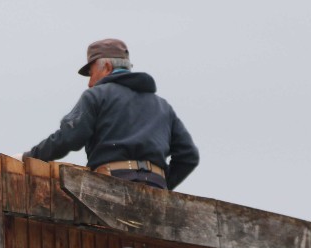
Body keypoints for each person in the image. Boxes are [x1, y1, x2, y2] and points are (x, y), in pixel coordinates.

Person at [25, 38, 199, 191]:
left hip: (111, 186)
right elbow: (188, 155)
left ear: (107, 67)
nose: (90, 83)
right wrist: (163, 184)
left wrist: (29, 157)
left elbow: (69, 137)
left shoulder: (97, 95)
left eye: (91, 74)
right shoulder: (162, 106)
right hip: (156, 186)